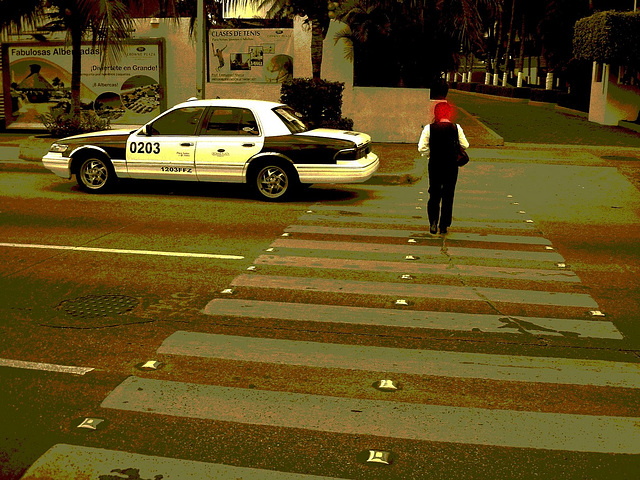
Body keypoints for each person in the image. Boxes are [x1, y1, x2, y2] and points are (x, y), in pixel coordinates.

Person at [417, 101, 469, 234]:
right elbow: (466, 145)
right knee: (448, 194)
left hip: (435, 164)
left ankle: (433, 222)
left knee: (434, 193)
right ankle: (444, 225)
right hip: (451, 165)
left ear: (436, 113)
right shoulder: (456, 128)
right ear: (449, 113)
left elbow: (421, 147)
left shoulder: (429, 128)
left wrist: (429, 154)